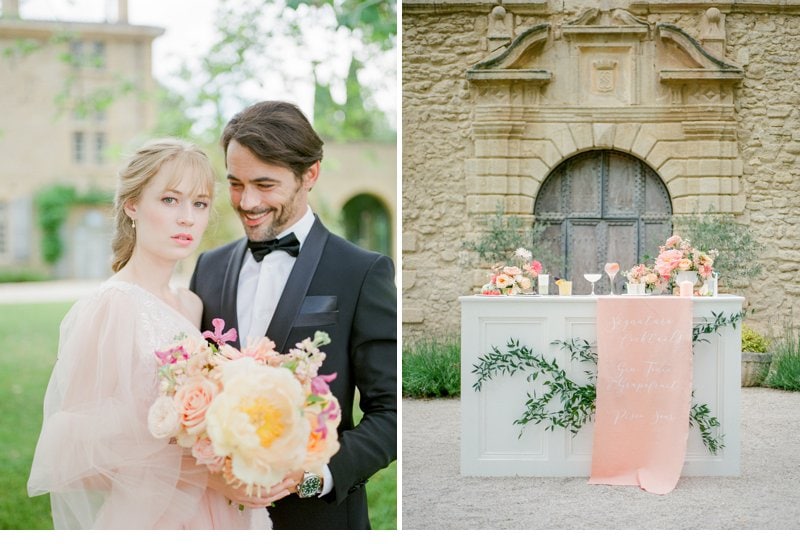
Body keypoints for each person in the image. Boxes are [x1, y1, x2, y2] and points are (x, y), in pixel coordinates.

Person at [27, 139, 273, 529]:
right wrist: (202, 469)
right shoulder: (112, 306)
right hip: (155, 517)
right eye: (170, 200)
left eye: (200, 203)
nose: (187, 218)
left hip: (223, 513)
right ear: (133, 205)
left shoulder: (192, 303)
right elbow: (74, 453)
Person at [190, 101, 397, 529]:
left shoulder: (361, 272)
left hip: (317, 519)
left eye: (265, 184)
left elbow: (391, 413)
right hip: (219, 518)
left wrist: (312, 479)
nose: (247, 202)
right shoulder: (207, 268)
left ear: (311, 175)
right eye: (235, 183)